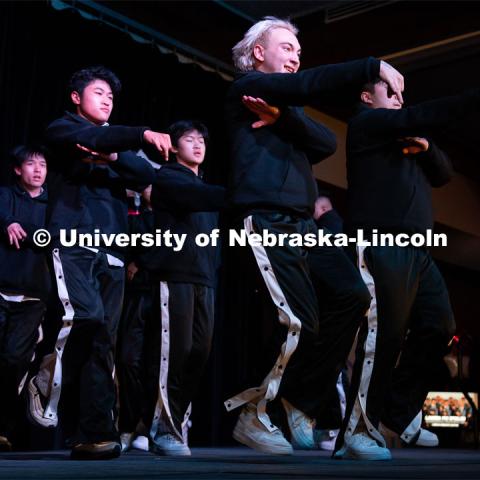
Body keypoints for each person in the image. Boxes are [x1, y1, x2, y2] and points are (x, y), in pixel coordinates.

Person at [223, 16, 404, 455]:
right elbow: (308, 89)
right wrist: (371, 65)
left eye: (298, 51)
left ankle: (300, 401)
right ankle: (254, 413)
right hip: (266, 219)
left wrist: (284, 119)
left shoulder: (285, 106)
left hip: (305, 225)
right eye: (286, 48)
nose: (296, 57)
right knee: (298, 320)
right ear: (259, 53)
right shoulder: (246, 88)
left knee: (352, 296)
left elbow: (325, 143)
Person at [26, 65, 170, 460]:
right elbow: (92, 138)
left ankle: (93, 432)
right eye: (99, 92)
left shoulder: (110, 144)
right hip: (72, 240)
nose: (107, 99)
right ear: (76, 97)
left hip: (113, 249)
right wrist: (137, 135)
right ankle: (43, 373)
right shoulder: (62, 129)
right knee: (85, 316)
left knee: (103, 341)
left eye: (111, 96)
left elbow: (143, 172)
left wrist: (113, 153)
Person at [335, 76, 462, 460]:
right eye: (391, 92)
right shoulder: (366, 124)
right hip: (381, 242)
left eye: (402, 94)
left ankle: (397, 411)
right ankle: (356, 430)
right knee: (383, 337)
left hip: (419, 251)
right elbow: (422, 115)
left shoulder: (411, 139)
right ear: (366, 96)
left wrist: (425, 147)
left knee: (440, 326)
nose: (399, 100)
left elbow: (443, 174)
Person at [145, 120, 225, 455]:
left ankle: (175, 420)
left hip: (205, 278)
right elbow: (199, 197)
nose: (198, 145)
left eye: (202, 140)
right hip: (175, 273)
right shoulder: (168, 178)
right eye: (189, 140)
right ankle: (163, 426)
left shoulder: (204, 186)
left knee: (199, 352)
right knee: (173, 353)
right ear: (175, 147)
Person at [0, 145, 50, 451]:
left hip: (33, 297)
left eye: (42, 165)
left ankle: (3, 428)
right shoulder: (6, 197)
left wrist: (25, 229)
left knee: (14, 361)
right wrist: (7, 221)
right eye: (31, 164)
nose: (38, 170)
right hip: (1, 289)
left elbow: (50, 234)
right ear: (18, 169)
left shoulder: (53, 202)